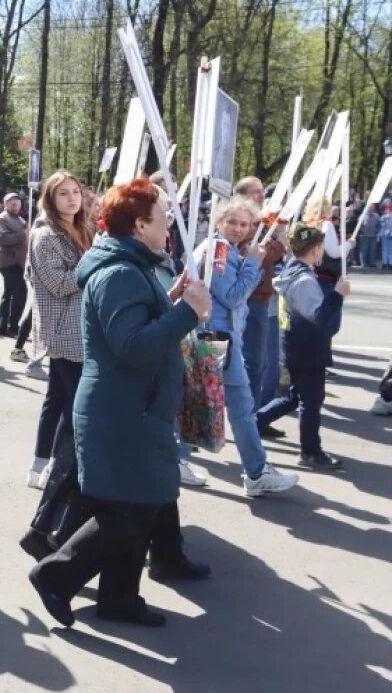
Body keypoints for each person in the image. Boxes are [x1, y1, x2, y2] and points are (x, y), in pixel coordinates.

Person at [27, 178, 211, 629]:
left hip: (132, 406)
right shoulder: (119, 272)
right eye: (164, 216)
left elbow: (132, 322)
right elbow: (129, 344)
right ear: (141, 224)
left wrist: (170, 301)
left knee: (135, 503)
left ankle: (118, 597)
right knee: (133, 508)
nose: (169, 224)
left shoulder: (130, 265)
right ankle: (57, 574)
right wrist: (190, 313)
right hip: (122, 410)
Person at [194, 197, 299, 497]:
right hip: (216, 337)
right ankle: (254, 470)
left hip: (222, 337)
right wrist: (254, 262)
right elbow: (232, 296)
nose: (238, 229)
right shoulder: (218, 250)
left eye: (244, 224)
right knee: (220, 405)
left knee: (227, 405)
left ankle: (255, 470)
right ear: (219, 222)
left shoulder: (227, 249)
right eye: (232, 222)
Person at [20, 172, 92, 501]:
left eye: (75, 191)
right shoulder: (46, 236)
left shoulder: (81, 230)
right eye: (63, 193)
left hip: (81, 328)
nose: (72, 198)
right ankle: (55, 469)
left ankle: (40, 465)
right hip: (63, 330)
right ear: (50, 198)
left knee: (58, 401)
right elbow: (60, 284)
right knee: (74, 405)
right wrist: (94, 262)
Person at [256, 224, 349, 469]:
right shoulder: (305, 279)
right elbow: (321, 320)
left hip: (295, 345)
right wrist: (338, 295)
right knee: (311, 401)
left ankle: (255, 422)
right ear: (317, 249)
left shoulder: (292, 270)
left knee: (294, 396)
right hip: (308, 349)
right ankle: (310, 451)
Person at [234, 176, 288, 429]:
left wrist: (277, 230)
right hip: (250, 300)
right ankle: (249, 419)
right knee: (252, 362)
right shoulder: (244, 224)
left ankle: (254, 416)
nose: (262, 196)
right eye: (257, 192)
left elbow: (277, 252)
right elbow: (257, 257)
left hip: (263, 299)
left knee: (263, 363)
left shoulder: (259, 223)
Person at [0, 192, 28, 336]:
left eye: (18, 202)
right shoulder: (2, 219)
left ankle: (1, 327)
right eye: (12, 202)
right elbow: (2, 239)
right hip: (9, 262)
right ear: (5, 204)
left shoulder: (21, 220)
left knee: (8, 294)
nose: (15, 204)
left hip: (18, 262)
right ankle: (12, 326)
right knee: (20, 292)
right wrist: (23, 235)